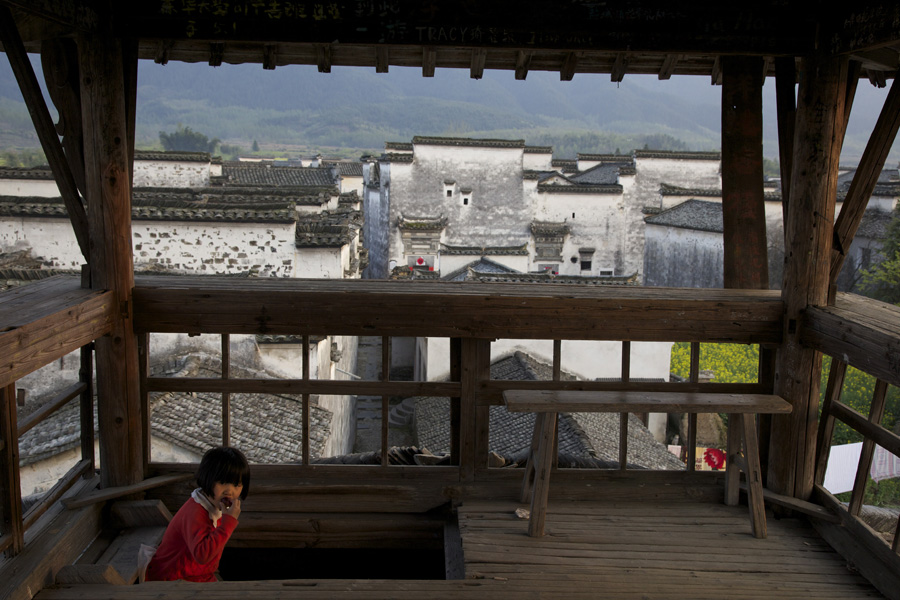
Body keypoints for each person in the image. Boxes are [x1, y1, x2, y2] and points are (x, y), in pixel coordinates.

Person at [144, 446, 250, 582]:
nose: (229, 491)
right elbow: (202, 555)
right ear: (207, 479)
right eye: (222, 483)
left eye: (236, 485)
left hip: (198, 574)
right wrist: (228, 523)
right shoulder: (195, 512)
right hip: (171, 578)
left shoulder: (215, 507)